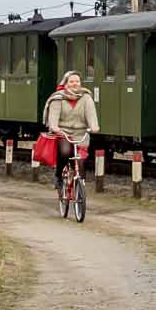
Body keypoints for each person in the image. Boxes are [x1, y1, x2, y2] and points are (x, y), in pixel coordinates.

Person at [44, 69, 98, 216]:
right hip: (63, 132)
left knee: (80, 161)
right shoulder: (58, 98)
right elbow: (53, 120)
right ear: (66, 84)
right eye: (72, 81)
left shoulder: (86, 98)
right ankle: (58, 176)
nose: (75, 84)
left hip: (81, 133)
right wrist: (55, 128)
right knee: (65, 152)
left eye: (77, 82)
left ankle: (79, 185)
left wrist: (94, 127)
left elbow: (92, 116)